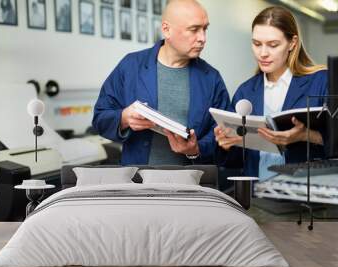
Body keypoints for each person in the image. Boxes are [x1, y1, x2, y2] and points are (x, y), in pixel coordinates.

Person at [92, 0, 230, 165]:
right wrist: (123, 118)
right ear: (166, 30)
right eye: (194, 30)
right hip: (138, 182)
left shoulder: (211, 78)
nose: (202, 38)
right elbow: (100, 118)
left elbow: (224, 133)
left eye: (205, 29)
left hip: (191, 183)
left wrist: (196, 149)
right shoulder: (131, 66)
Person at [215, 6, 327, 180]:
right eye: (257, 44)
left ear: (292, 43)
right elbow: (235, 162)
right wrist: (226, 145)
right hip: (258, 196)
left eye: (273, 45)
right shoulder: (245, 92)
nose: (263, 53)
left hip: (307, 195)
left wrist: (305, 135)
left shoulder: (320, 82)